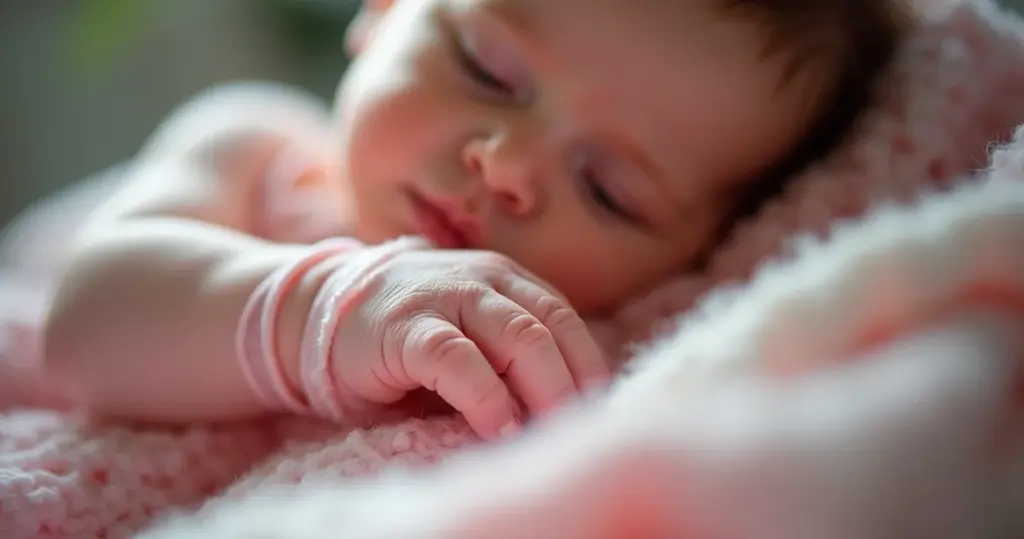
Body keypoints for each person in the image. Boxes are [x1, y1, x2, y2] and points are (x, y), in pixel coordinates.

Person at [40, 0, 907, 440]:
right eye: (487, 69)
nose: (508, 162)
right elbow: (81, 328)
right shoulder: (260, 155)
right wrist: (330, 308)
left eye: (610, 190)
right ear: (384, 11)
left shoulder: (595, 348)